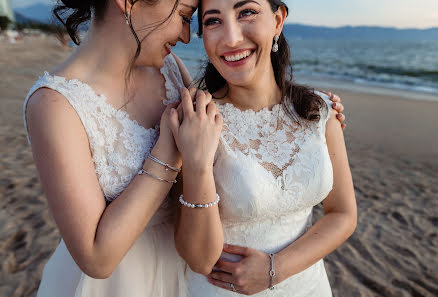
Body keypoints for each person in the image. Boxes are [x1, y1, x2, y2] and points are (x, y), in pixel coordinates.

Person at [23, 0, 346, 296]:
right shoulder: (54, 103)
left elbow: (216, 130)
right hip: (120, 282)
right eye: (184, 17)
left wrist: (310, 112)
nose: (186, 35)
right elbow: (96, 259)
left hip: (186, 272)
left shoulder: (167, 67)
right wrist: (170, 149)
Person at [171, 0, 357, 296]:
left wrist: (275, 269)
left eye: (247, 12)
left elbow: (343, 215)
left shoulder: (321, 111)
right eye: (213, 21)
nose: (231, 38)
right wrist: (197, 163)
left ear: (278, 20)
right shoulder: (195, 120)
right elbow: (198, 258)